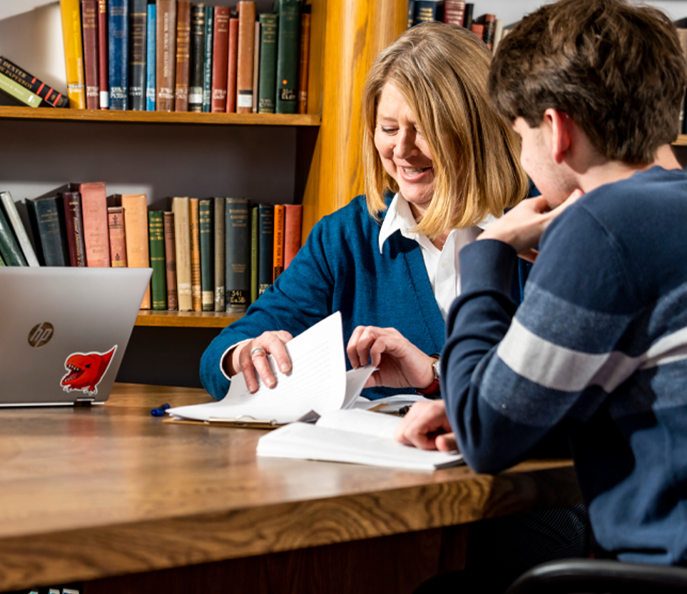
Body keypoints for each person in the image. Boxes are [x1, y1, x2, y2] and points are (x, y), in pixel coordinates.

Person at [396, 0, 687, 571]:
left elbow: (486, 436)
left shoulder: (601, 226)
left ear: (554, 131)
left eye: (519, 134)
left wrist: (490, 253)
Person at [199, 21, 529, 400]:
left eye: (423, 129)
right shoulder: (345, 236)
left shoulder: (542, 227)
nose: (402, 150)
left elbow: (558, 388)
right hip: (370, 457)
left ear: (477, 130)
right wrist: (245, 353)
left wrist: (436, 374)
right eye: (389, 129)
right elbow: (218, 359)